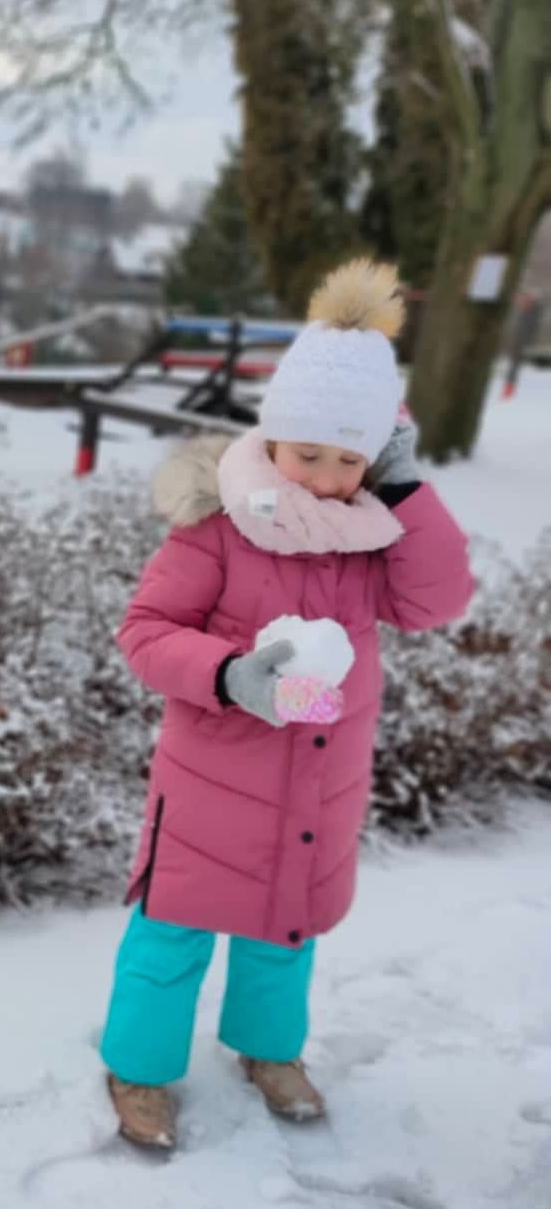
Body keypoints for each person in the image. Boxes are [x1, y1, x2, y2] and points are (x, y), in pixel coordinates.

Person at [102, 259, 473, 1152]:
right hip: (210, 782)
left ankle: (269, 1053)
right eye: (308, 453)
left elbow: (438, 600)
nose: (323, 478)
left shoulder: (373, 538)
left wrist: (408, 490)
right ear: (274, 439)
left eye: (350, 461)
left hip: (316, 784)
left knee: (283, 933)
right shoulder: (220, 525)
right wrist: (232, 675)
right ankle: (139, 1069)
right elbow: (146, 630)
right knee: (173, 939)